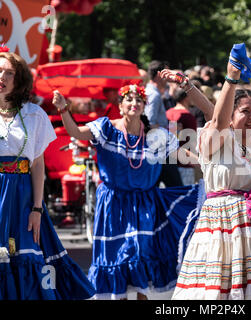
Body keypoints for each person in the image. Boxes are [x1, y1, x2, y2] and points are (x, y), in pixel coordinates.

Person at [52, 83, 205, 300]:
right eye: (129, 100)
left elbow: (180, 154)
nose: (134, 103)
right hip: (113, 204)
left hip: (145, 204)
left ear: (144, 106)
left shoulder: (155, 135)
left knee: (140, 255)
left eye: (139, 100)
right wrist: (64, 110)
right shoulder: (106, 129)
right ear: (121, 106)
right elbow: (76, 131)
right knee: (120, 260)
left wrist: (207, 164)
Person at [172, 45, 251, 300]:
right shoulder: (216, 141)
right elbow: (218, 119)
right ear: (230, 117)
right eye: (246, 111)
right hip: (223, 234)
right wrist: (231, 78)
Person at [0, 49, 95, 300]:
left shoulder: (34, 114)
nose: (2, 76)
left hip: (23, 195)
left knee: (26, 255)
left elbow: (38, 163)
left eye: (9, 72)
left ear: (18, 79)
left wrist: (37, 209)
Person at [145, 60, 182, 187]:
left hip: (159, 147)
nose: (168, 78)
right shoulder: (153, 95)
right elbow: (149, 122)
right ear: (158, 75)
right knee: (176, 186)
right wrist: (168, 130)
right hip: (160, 148)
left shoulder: (152, 93)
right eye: (165, 74)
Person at [166, 88, 197, 185]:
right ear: (186, 97)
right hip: (185, 164)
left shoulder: (168, 113)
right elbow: (192, 143)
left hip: (167, 164)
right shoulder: (188, 116)